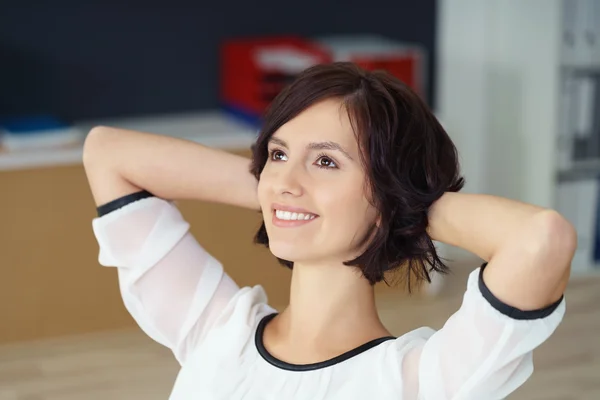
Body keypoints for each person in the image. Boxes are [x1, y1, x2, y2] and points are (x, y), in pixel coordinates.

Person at [83, 62, 575, 399]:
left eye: (325, 161)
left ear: (385, 192)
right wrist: (277, 189)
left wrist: (398, 200)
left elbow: (540, 239)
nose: (284, 180)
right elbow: (108, 152)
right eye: (277, 154)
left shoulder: (417, 381)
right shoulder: (216, 329)